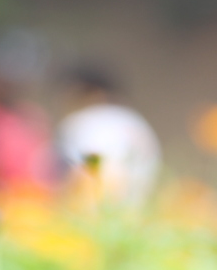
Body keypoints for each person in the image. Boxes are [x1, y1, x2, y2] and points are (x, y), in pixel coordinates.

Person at [55, 64, 161, 207]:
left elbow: (95, 168)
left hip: (99, 212)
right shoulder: (137, 122)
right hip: (135, 214)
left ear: (92, 92)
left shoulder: (88, 121)